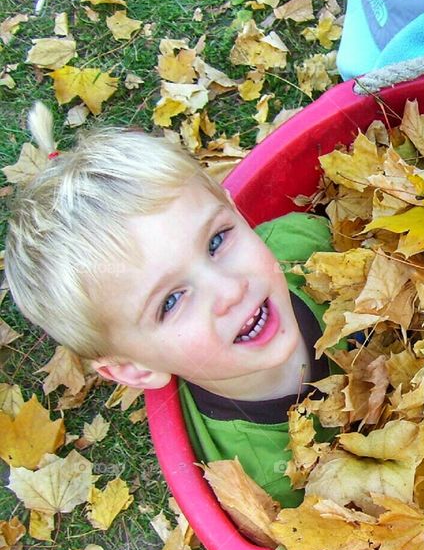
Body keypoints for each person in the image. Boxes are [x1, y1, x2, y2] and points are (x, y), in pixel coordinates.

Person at [5, 104, 337, 508]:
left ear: (233, 209)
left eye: (216, 241)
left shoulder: (303, 245)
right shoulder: (260, 479)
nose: (229, 289)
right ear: (132, 368)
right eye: (172, 301)